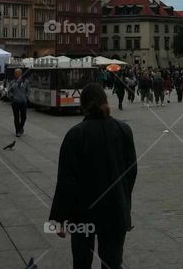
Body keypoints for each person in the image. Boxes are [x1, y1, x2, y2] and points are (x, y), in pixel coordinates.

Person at [50, 84, 137, 269]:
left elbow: (66, 180)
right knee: (112, 262)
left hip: (83, 212)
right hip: (115, 210)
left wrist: (59, 217)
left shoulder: (76, 134)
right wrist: (124, 200)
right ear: (105, 101)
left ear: (83, 105)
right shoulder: (123, 130)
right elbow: (131, 173)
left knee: (81, 262)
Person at [7, 69, 30, 137]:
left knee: (24, 117)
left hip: (23, 102)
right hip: (15, 102)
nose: (16, 74)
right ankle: (17, 131)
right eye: (15, 73)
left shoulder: (26, 82)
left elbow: (28, 90)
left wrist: (26, 97)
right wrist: (12, 96)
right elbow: (9, 91)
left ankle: (21, 127)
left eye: (17, 73)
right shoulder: (12, 82)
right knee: (16, 117)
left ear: (21, 74)